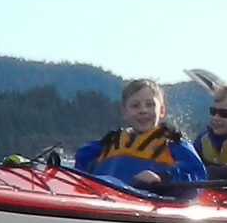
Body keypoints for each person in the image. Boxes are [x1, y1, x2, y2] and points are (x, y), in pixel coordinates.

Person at [74, 79, 207, 191]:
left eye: (150, 105)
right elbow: (78, 171)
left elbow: (197, 178)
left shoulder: (175, 145)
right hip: (105, 200)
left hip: (148, 203)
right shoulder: (105, 145)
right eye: (135, 106)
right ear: (124, 113)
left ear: (162, 111)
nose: (143, 110)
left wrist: (162, 178)